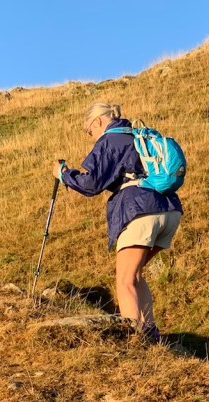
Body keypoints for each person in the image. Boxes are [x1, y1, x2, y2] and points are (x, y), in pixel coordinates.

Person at [58, 103, 183, 342]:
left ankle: (136, 339)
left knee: (124, 280)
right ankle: (150, 332)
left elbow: (91, 184)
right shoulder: (137, 135)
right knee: (135, 275)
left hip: (139, 211)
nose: (92, 137)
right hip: (168, 209)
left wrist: (64, 175)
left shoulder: (110, 140)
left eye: (89, 131)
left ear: (97, 121)